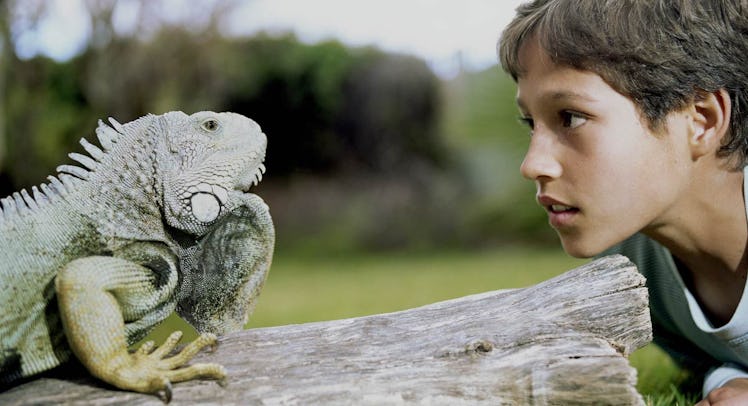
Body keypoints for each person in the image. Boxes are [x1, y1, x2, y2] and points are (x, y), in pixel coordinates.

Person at [498, 0, 748, 404]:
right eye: (531, 123)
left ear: (701, 119)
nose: (532, 164)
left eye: (570, 117)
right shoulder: (634, 269)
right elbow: (710, 361)